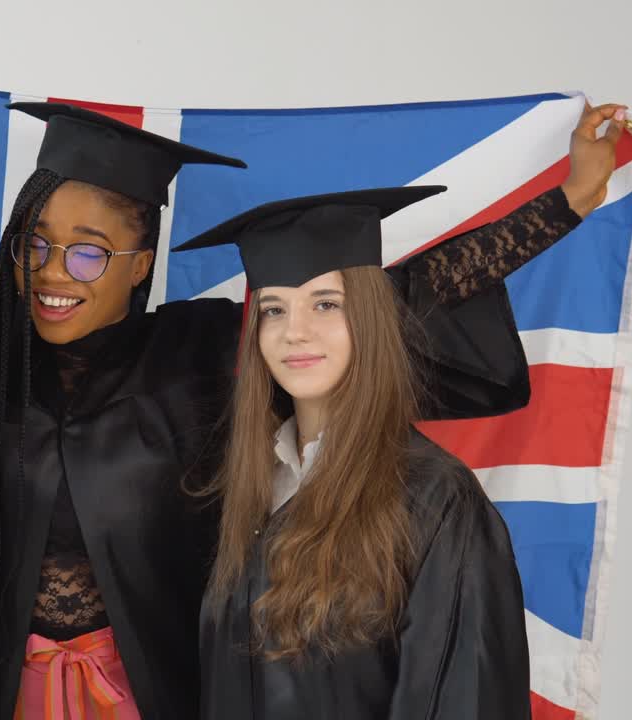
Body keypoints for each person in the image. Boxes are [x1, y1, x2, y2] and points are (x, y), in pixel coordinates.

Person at [0, 17, 626, 718]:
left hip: (158, 685)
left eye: (93, 250)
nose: (59, 273)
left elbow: (378, 297)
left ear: (141, 262)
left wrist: (565, 206)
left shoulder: (198, 356)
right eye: (40, 244)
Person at [182, 187, 531, 719]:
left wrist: (566, 201)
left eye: (326, 304)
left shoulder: (435, 498)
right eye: (274, 309)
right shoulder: (254, 483)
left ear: (370, 318)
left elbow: (463, 699)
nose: (294, 331)